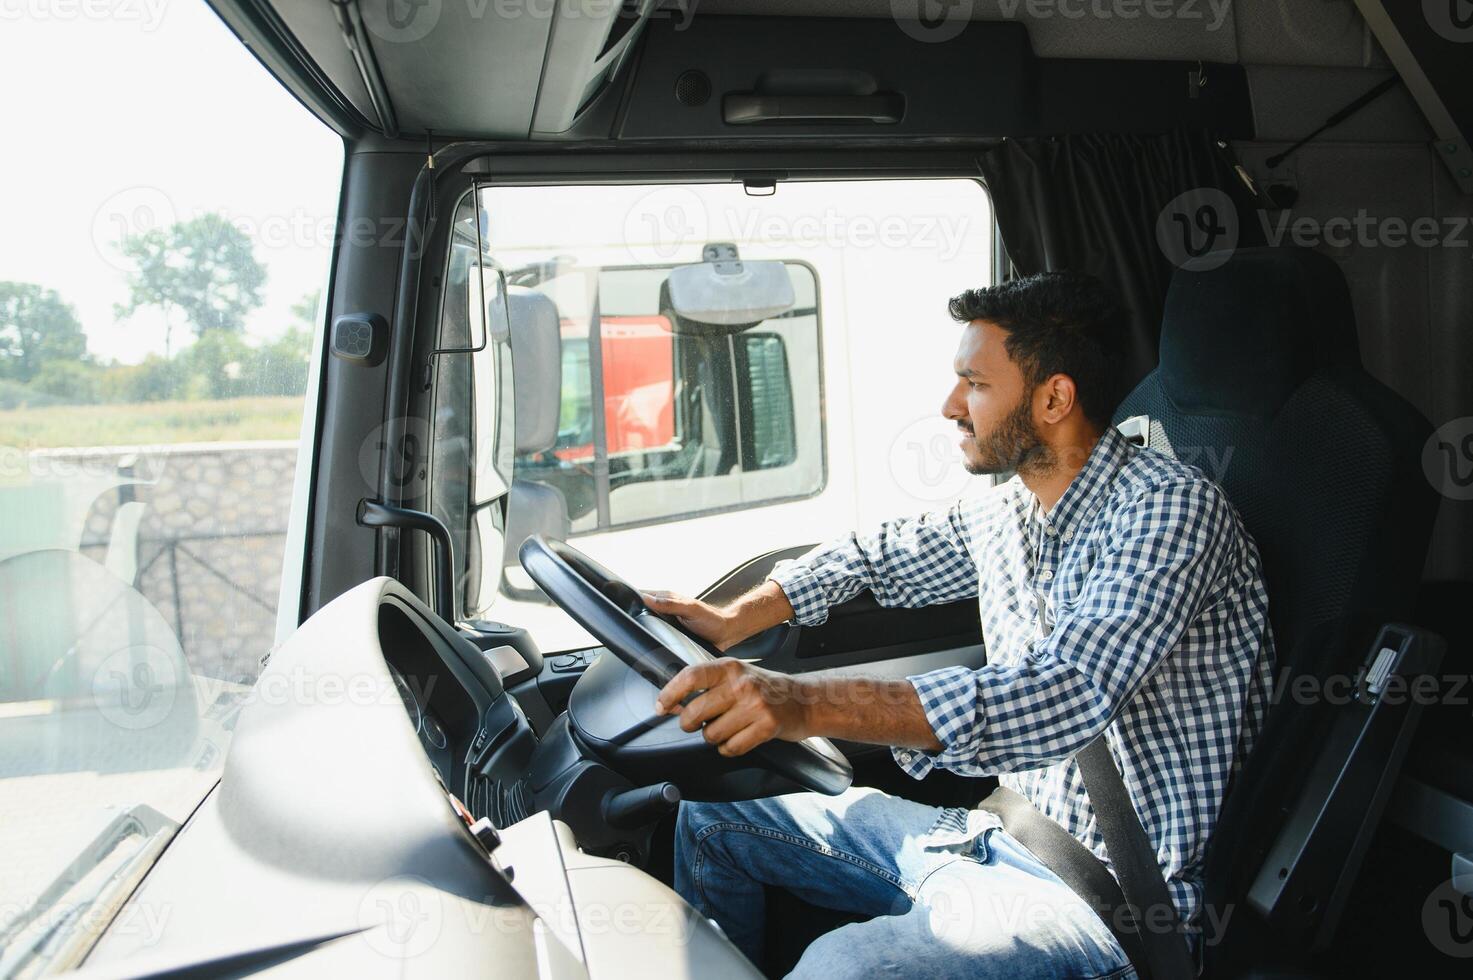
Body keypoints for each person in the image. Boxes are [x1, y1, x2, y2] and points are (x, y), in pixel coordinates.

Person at [641, 271, 1276, 978]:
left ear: (1053, 398)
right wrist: (732, 619)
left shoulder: (1170, 512)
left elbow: (1060, 693)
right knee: (711, 822)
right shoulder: (1008, 511)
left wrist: (801, 703)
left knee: (841, 968)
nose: (949, 406)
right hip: (1003, 834)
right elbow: (873, 555)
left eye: (973, 383)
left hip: (1111, 904)